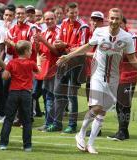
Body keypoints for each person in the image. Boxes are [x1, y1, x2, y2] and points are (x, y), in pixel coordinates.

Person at [57, 8, 137, 154]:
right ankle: (81, 133)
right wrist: (68, 56)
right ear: (108, 19)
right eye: (112, 18)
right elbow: (87, 47)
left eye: (117, 18)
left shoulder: (127, 38)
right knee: (96, 108)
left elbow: (132, 59)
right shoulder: (99, 31)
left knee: (102, 112)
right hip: (97, 74)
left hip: (114, 78)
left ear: (121, 19)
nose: (114, 21)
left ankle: (90, 143)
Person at [48, 2, 90, 133]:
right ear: (66, 12)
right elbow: (58, 43)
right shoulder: (64, 24)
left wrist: (65, 44)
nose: (74, 14)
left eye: (76, 12)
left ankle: (72, 125)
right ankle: (57, 123)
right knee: (59, 92)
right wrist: (59, 44)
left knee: (72, 95)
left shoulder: (83, 26)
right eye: (71, 12)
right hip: (63, 61)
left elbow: (81, 48)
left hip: (76, 62)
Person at [0, 40, 41, 151]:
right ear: (26, 51)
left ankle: (3, 144)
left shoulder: (12, 62)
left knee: (9, 119)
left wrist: (7, 71)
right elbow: (38, 72)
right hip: (26, 93)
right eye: (30, 50)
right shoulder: (31, 62)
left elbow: (5, 77)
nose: (31, 52)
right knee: (26, 121)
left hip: (13, 93)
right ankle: (27, 146)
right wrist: (39, 60)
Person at [107, 17, 137, 141]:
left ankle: (123, 132)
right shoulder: (113, 37)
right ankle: (121, 131)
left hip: (128, 75)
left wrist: (115, 50)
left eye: (119, 23)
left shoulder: (133, 37)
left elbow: (133, 56)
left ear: (124, 24)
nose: (117, 24)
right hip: (116, 75)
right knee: (118, 105)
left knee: (124, 104)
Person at [34, 11, 60, 131]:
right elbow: (40, 52)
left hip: (56, 69)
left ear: (55, 19)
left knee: (55, 97)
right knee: (47, 97)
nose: (49, 21)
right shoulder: (43, 33)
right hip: (46, 69)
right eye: (47, 19)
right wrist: (37, 44)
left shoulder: (59, 32)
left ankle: (56, 124)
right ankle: (48, 122)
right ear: (44, 20)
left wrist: (43, 41)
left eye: (51, 19)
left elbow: (57, 52)